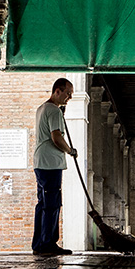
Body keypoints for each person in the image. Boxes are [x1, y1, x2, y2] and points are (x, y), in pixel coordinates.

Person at [31, 78, 77, 255]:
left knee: (43, 203)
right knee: (52, 203)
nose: (69, 98)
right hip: (50, 163)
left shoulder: (41, 109)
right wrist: (70, 151)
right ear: (57, 91)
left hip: (40, 162)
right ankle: (48, 243)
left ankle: (39, 244)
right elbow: (56, 137)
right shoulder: (54, 111)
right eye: (68, 93)